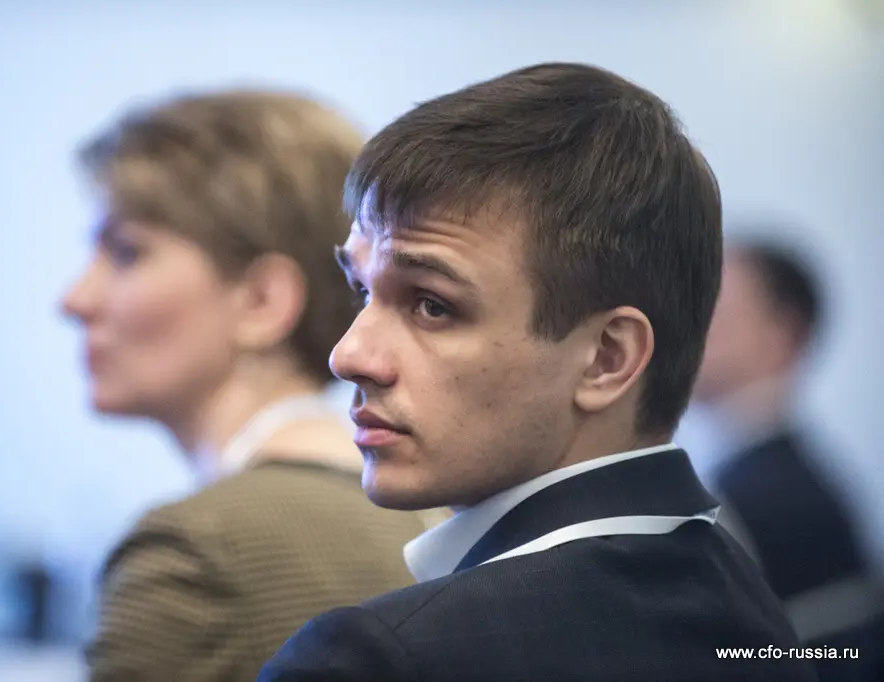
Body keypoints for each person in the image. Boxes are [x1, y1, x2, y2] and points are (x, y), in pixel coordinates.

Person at [257, 63, 816, 681]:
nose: (348, 356)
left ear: (607, 358)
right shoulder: (757, 613)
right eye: (361, 290)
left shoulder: (377, 659)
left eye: (432, 305)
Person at [61, 90, 430, 682]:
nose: (75, 299)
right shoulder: (431, 519)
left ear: (261, 300)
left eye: (126, 253)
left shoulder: (191, 553)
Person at [691, 237, 883, 682]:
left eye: (714, 311)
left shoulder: (746, 503)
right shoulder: (811, 482)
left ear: (781, 332)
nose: (688, 329)